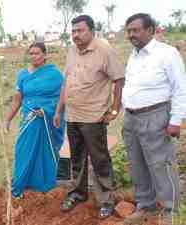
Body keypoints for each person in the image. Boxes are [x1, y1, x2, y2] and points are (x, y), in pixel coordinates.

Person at [54, 15, 125, 219]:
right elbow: (66, 83)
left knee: (99, 158)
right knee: (76, 158)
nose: (75, 35)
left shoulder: (104, 50)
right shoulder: (71, 51)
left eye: (80, 30)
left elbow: (118, 79)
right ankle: (78, 193)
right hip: (73, 115)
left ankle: (106, 200)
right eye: (73, 31)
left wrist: (114, 109)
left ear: (91, 31)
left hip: (93, 117)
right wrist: (59, 111)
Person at [122, 13, 186, 225]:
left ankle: (171, 210)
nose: (131, 34)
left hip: (156, 115)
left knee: (161, 164)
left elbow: (180, 89)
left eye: (136, 30)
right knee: (137, 164)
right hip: (131, 118)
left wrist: (176, 120)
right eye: (129, 30)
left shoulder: (167, 54)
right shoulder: (134, 55)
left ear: (150, 30)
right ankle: (145, 206)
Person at [5, 42, 65, 198]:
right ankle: (21, 182)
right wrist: (8, 119)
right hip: (29, 118)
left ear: (45, 55)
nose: (33, 56)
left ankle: (42, 183)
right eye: (31, 53)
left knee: (43, 151)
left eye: (37, 53)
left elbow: (62, 97)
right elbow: (17, 99)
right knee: (23, 150)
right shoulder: (23, 75)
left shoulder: (55, 74)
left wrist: (47, 110)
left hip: (46, 119)